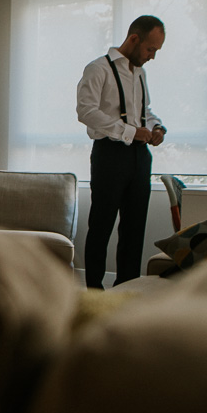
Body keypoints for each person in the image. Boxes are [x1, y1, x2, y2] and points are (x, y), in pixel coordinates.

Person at [76, 15, 166, 289]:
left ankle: (126, 288)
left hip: (140, 158)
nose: (152, 57)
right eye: (150, 49)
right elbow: (86, 112)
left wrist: (156, 127)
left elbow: (144, 111)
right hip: (109, 155)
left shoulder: (140, 73)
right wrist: (129, 132)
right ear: (134, 39)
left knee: (134, 228)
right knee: (101, 225)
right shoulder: (97, 69)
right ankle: (93, 289)